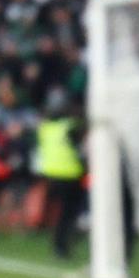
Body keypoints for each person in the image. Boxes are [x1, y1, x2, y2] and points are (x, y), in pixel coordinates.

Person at [34, 105, 87, 263]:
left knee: (62, 213)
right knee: (69, 213)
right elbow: (77, 148)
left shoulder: (45, 129)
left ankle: (60, 244)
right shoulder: (69, 127)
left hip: (51, 175)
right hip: (69, 175)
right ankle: (62, 246)